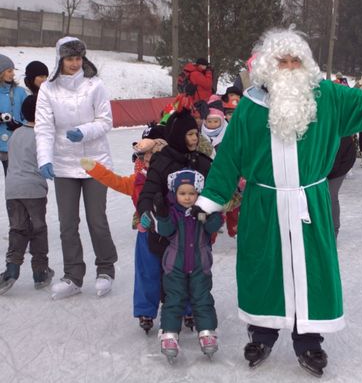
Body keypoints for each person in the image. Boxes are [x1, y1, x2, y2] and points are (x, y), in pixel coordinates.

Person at [188, 28, 362, 377]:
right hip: (264, 203)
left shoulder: (328, 98)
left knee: (311, 270)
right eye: (281, 61)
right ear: (268, 67)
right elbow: (229, 156)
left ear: (306, 64)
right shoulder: (250, 107)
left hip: (309, 202)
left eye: (295, 61)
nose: (289, 67)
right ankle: (262, 333)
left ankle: (309, 341)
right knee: (264, 267)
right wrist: (210, 199)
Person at [35, 36, 118, 299]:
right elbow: (44, 127)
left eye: (78, 58)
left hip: (95, 163)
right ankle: (73, 275)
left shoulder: (95, 85)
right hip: (63, 163)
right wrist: (44, 158)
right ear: (60, 60)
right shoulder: (48, 90)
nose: (74, 63)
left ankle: (105, 268)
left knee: (97, 219)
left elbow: (106, 121)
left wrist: (83, 131)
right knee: (67, 223)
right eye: (69, 59)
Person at [81, 124, 168, 333]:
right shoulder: (138, 181)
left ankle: (184, 306)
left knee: (175, 271)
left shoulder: (173, 177)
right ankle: (146, 311)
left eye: (152, 157)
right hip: (147, 233)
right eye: (144, 158)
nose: (148, 161)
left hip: (172, 231)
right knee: (147, 272)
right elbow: (116, 181)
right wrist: (95, 169)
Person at [145, 169, 223, 362]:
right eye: (182, 193)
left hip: (200, 263)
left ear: (198, 193)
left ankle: (206, 332)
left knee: (202, 298)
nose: (187, 198)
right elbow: (165, 230)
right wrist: (162, 215)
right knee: (174, 299)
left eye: (191, 193)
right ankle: (169, 334)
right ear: (175, 193)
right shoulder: (172, 212)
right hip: (174, 265)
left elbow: (214, 228)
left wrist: (211, 212)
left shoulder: (202, 211)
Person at [0, 95, 54, 295]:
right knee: (38, 229)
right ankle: (40, 272)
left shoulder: (15, 134)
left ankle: (11, 270)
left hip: (13, 189)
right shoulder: (42, 136)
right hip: (34, 190)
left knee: (17, 228)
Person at [0, 54, 27, 176]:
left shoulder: (20, 92)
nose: (13, 74)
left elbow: (29, 117)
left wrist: (19, 126)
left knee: (12, 181)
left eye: (13, 71)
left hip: (12, 145)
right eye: (9, 71)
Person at [327, 136, 356, 238]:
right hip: (324, 167)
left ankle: (334, 231)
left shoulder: (339, 134)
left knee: (331, 195)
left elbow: (345, 156)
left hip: (341, 165)